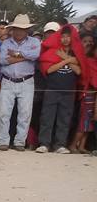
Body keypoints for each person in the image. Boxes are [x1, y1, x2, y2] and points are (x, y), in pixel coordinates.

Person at [36, 24, 84, 154]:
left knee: (64, 118)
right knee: (47, 117)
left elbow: (79, 71)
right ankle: (44, 143)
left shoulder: (76, 53)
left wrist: (65, 58)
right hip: (52, 89)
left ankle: (60, 144)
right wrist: (66, 61)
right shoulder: (53, 51)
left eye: (68, 37)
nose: (66, 39)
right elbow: (49, 69)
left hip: (69, 91)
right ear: (59, 38)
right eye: (63, 37)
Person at [0, 14, 40, 151]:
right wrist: (24, 57)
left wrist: (15, 54)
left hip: (26, 81)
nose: (19, 31)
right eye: (17, 29)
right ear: (13, 29)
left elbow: (36, 55)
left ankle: (20, 142)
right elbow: (3, 60)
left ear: (27, 30)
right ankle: (3, 141)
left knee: (25, 113)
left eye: (22, 29)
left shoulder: (35, 42)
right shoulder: (6, 43)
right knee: (4, 113)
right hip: (8, 80)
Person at [69, 32, 96, 153]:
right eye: (85, 41)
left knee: (90, 122)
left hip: (94, 94)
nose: (88, 44)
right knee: (84, 121)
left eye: (90, 41)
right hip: (87, 93)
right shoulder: (86, 60)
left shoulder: (93, 60)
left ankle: (81, 146)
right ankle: (73, 145)